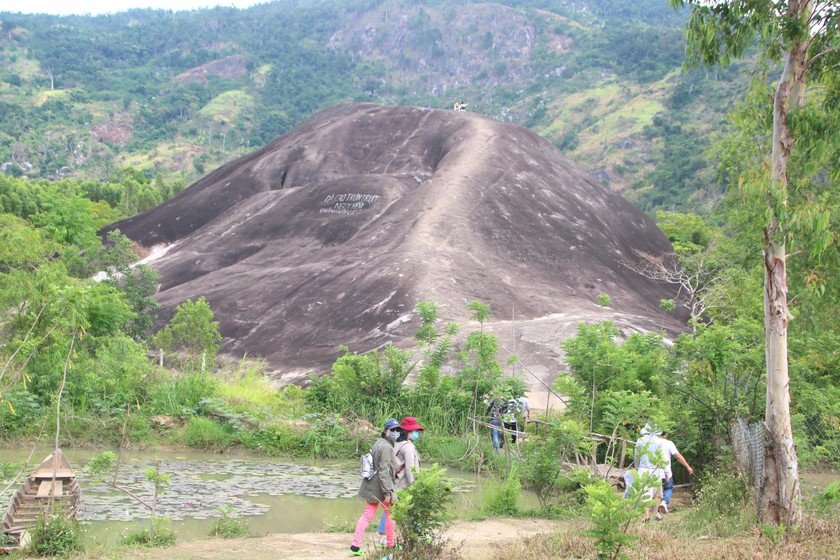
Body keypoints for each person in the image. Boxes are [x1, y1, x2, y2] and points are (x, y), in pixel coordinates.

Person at [350, 418, 401, 556]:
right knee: (391, 514)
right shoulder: (386, 447)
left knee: (367, 515)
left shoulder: (379, 442)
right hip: (381, 485)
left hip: (372, 484)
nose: (396, 433)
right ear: (386, 431)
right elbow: (384, 470)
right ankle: (391, 545)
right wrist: (387, 492)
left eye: (398, 430)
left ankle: (355, 545)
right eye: (393, 430)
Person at [634, 423, 666, 521]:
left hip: (643, 470)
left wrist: (637, 467)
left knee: (644, 494)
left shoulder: (640, 441)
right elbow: (662, 457)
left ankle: (646, 515)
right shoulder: (659, 441)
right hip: (656, 470)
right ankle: (655, 513)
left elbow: (637, 456)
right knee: (657, 494)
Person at [658, 431, 694, 514]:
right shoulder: (669, 443)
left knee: (655, 492)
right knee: (668, 488)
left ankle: (653, 510)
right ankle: (664, 502)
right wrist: (688, 467)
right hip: (666, 472)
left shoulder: (651, 443)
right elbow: (678, 456)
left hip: (653, 472)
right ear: (666, 434)